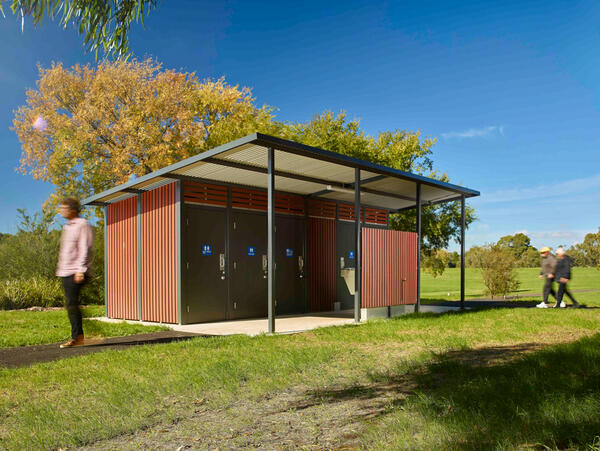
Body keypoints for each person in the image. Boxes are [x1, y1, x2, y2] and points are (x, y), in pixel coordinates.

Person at [56, 198, 94, 348]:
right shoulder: (67, 227)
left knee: (71, 303)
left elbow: (86, 247)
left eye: (63, 208)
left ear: (72, 209)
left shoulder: (82, 225)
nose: (61, 211)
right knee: (71, 304)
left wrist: (81, 269)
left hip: (76, 271)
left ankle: (77, 337)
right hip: (65, 271)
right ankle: (78, 335)